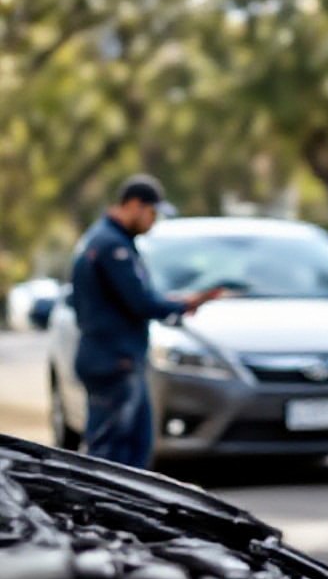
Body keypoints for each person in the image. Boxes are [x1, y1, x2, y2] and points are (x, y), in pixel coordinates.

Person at [70, 174, 221, 469]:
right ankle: (101, 513)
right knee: (111, 454)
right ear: (135, 205)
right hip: (114, 361)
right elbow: (140, 301)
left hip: (114, 358)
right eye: (152, 213)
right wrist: (185, 303)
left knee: (135, 446)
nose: (154, 223)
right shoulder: (112, 246)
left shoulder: (106, 239)